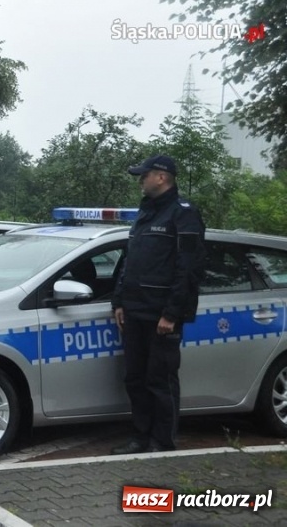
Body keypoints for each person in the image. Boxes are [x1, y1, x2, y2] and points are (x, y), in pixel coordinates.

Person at [110, 154, 206, 455]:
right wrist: (120, 301)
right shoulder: (145, 213)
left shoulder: (183, 214)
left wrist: (171, 314)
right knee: (135, 378)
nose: (141, 180)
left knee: (159, 380)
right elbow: (129, 262)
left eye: (145, 175)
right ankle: (140, 437)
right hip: (135, 310)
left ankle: (162, 443)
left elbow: (188, 269)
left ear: (162, 176)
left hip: (161, 315)